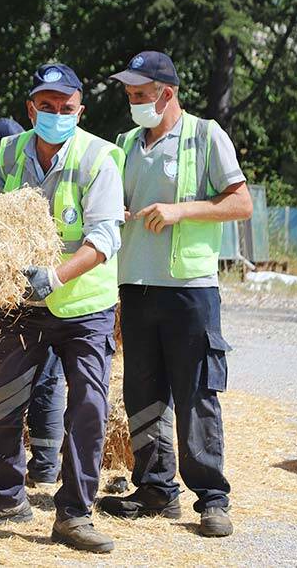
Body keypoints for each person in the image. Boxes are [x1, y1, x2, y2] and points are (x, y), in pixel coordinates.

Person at [0, 63, 124, 554]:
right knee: (1, 398)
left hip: (84, 305)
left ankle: (74, 514)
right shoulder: (8, 152)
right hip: (20, 304)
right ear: (31, 109)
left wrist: (55, 276)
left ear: (79, 110)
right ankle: (6, 499)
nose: (55, 115)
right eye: (46, 107)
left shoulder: (99, 158)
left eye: (65, 108)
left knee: (88, 406)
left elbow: (104, 237)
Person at [99, 51, 252, 538]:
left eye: (140, 95)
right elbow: (116, 203)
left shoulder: (207, 135)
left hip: (190, 290)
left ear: (167, 94)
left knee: (196, 394)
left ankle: (212, 498)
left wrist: (180, 211)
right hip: (136, 288)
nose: (133, 103)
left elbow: (241, 203)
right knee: (142, 393)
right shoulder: (125, 143)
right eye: (129, 95)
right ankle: (155, 489)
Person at [0, 117, 65, 485]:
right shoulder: (50, 173)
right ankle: (46, 466)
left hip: (4, 293)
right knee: (49, 377)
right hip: (48, 288)